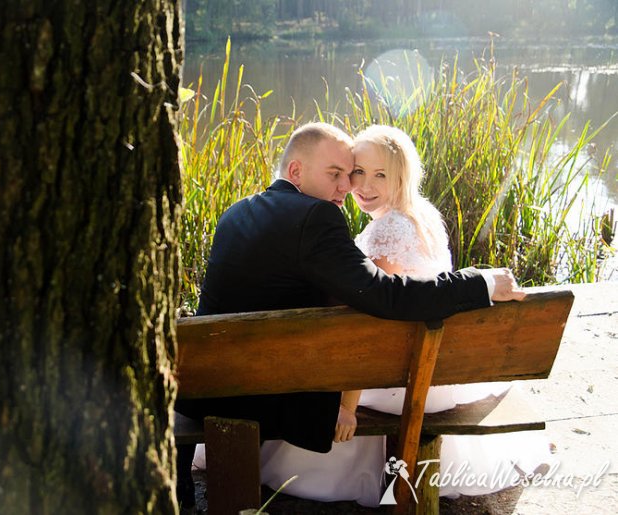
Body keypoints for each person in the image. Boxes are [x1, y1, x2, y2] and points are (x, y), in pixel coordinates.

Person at [175, 122, 525, 507]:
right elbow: (384, 294)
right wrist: (480, 284)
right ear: (296, 171)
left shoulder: (237, 212)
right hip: (262, 391)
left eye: (349, 174)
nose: (347, 187)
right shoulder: (315, 217)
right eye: (336, 175)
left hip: (210, 379)